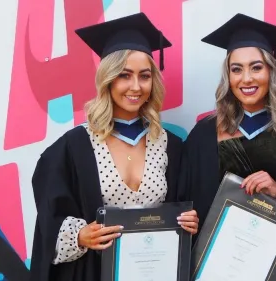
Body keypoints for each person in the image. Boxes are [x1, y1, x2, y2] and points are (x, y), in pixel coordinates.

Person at [28, 13, 199, 281]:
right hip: (95, 273)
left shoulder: (171, 147)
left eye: (144, 76)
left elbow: (182, 213)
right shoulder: (73, 149)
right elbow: (50, 222)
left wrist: (189, 222)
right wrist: (80, 235)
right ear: (108, 79)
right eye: (124, 75)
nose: (135, 86)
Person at [175, 13, 276, 281]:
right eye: (236, 69)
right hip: (218, 270)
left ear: (271, 70)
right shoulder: (203, 136)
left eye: (256, 67)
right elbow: (185, 203)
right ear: (228, 76)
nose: (246, 78)